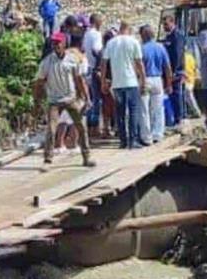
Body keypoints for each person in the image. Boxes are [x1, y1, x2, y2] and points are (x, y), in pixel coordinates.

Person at [34, 32, 93, 166]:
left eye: (58, 43)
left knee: (81, 127)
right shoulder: (47, 62)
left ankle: (86, 156)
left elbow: (79, 80)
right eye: (54, 43)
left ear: (64, 43)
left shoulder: (72, 60)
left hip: (70, 99)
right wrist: (37, 100)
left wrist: (86, 97)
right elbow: (39, 82)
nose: (56, 45)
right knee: (51, 128)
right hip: (54, 100)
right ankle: (48, 157)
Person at [102, 22, 146, 149]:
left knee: (119, 113)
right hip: (131, 82)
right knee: (133, 111)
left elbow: (104, 63)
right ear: (129, 29)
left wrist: (104, 80)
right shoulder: (133, 42)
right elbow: (139, 63)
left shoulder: (111, 43)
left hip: (117, 83)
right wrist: (143, 80)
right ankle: (133, 141)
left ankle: (123, 141)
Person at [139, 25, 172, 145]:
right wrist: (169, 83)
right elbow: (167, 67)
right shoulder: (161, 47)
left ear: (144, 35)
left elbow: (139, 66)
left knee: (144, 109)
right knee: (158, 108)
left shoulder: (142, 48)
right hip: (158, 79)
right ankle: (158, 134)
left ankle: (146, 137)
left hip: (146, 79)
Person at [82, 14, 107, 138]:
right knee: (97, 100)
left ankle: (89, 126)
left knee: (90, 99)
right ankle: (95, 128)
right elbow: (96, 50)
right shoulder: (96, 34)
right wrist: (100, 66)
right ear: (97, 21)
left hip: (87, 68)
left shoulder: (86, 34)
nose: (102, 23)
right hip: (94, 69)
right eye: (101, 21)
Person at [161, 15, 186, 126]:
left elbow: (177, 54)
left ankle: (179, 118)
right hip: (169, 71)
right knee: (172, 95)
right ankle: (175, 118)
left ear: (172, 22)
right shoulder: (169, 37)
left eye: (166, 24)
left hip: (175, 71)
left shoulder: (177, 36)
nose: (164, 27)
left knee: (176, 94)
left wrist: (174, 72)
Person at [183, 49, 203, 119]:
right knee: (188, 97)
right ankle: (192, 111)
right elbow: (195, 68)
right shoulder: (191, 57)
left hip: (186, 79)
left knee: (189, 97)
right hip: (191, 79)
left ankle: (196, 112)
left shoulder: (182, 57)